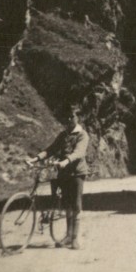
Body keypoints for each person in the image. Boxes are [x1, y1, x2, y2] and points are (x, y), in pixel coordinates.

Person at [28, 105, 89, 250]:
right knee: (67, 206)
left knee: (76, 206)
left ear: (77, 117)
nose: (69, 119)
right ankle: (68, 236)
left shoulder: (82, 134)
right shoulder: (63, 135)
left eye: (72, 116)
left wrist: (65, 161)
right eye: (67, 117)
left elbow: (79, 152)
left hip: (77, 173)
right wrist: (35, 159)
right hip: (64, 174)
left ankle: (75, 238)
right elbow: (51, 149)